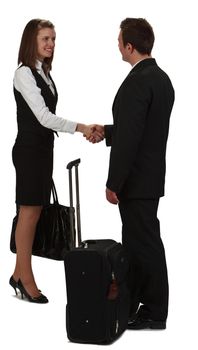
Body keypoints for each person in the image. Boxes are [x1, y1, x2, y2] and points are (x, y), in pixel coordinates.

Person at [88, 18, 175, 329]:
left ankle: (154, 311)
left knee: (145, 245)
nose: (117, 46)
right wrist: (108, 131)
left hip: (137, 180)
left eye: (119, 41)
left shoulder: (139, 80)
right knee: (141, 242)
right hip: (149, 177)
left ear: (129, 45)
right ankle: (140, 303)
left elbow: (132, 139)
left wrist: (114, 183)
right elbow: (140, 128)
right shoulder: (160, 78)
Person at [10, 18, 101, 303]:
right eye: (45, 39)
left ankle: (17, 274)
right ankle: (27, 280)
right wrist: (82, 127)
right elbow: (44, 117)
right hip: (29, 151)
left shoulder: (44, 73)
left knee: (35, 212)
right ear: (31, 42)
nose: (50, 44)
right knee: (29, 213)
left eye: (52, 39)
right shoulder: (24, 73)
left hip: (42, 150)